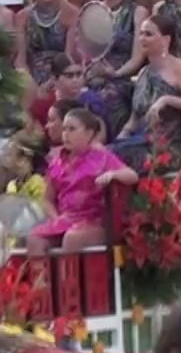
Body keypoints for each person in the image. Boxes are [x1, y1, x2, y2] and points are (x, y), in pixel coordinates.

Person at [112, 15, 181, 174]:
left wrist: (168, 100)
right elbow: (133, 122)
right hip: (141, 144)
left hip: (166, 151)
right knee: (104, 156)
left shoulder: (180, 69)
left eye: (149, 34)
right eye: (141, 34)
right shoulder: (143, 73)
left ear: (166, 40)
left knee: (116, 159)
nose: (142, 39)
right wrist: (118, 140)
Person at [29, 108, 137, 255]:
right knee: (35, 239)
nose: (66, 134)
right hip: (66, 219)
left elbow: (132, 176)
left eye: (72, 129)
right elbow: (47, 200)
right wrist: (57, 219)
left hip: (94, 221)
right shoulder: (57, 162)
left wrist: (113, 174)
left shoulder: (102, 157)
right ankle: (42, 278)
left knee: (72, 238)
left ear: (89, 133)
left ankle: (73, 278)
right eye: (64, 129)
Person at [86, 0, 150, 137]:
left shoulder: (138, 12)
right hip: (95, 74)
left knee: (108, 96)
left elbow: (137, 59)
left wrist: (115, 73)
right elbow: (86, 51)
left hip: (124, 76)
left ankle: (112, 148)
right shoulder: (93, 11)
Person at [16, 0, 80, 93]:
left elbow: (69, 57)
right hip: (30, 80)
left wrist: (51, 84)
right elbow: (20, 61)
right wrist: (32, 87)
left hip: (62, 79)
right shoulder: (22, 17)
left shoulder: (72, 14)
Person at [30, 53, 106, 133]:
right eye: (69, 76)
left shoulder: (93, 101)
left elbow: (99, 136)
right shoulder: (44, 104)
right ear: (55, 79)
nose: (75, 80)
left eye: (79, 74)